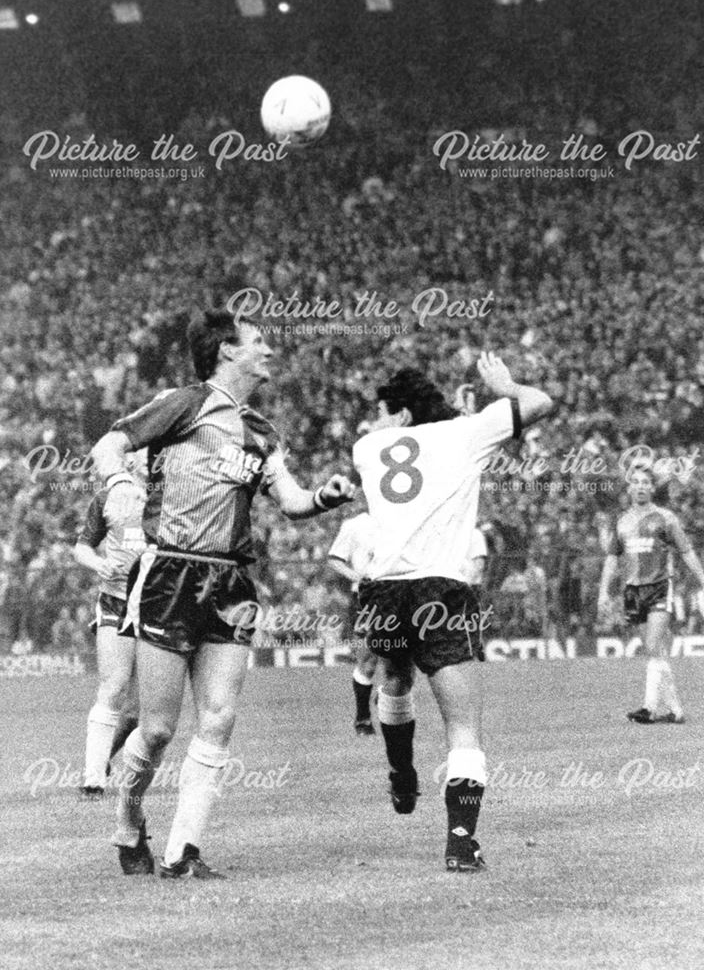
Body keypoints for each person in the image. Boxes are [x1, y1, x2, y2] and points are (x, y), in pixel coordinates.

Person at [91, 309, 354, 879]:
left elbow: (290, 501)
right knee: (157, 728)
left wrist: (326, 497)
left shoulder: (262, 431)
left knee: (219, 716)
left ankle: (183, 851)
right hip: (170, 574)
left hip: (232, 581)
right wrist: (117, 485)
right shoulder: (185, 403)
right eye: (258, 342)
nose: (269, 351)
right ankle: (129, 821)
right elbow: (108, 444)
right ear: (226, 351)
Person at [353, 351, 553, 872]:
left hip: (384, 591)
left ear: (399, 415)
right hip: (441, 590)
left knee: (394, 681)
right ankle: (462, 841)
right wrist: (504, 384)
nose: (374, 421)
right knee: (462, 723)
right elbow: (539, 403)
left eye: (380, 411)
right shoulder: (467, 433)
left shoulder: (366, 447)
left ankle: (401, 771)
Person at [597, 465, 704, 724]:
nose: (639, 486)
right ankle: (675, 710)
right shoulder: (622, 521)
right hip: (633, 590)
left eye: (644, 482)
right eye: (635, 482)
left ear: (651, 487)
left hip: (660, 586)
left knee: (651, 646)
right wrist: (603, 591)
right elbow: (612, 559)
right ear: (629, 488)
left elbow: (687, 551)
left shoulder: (666, 518)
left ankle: (649, 708)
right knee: (655, 651)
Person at [73, 454, 147, 798]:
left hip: (157, 606)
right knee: (113, 686)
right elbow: (82, 548)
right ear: (130, 464)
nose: (152, 464)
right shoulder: (107, 498)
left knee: (135, 713)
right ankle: (93, 779)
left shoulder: (173, 501)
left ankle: (102, 760)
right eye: (145, 458)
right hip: (116, 599)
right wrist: (99, 564)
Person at [328, 510, 379, 734]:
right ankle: (363, 718)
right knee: (368, 660)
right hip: (367, 597)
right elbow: (334, 559)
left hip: (401, 594)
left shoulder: (404, 516)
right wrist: (358, 576)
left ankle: (387, 698)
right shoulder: (355, 524)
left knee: (405, 656)